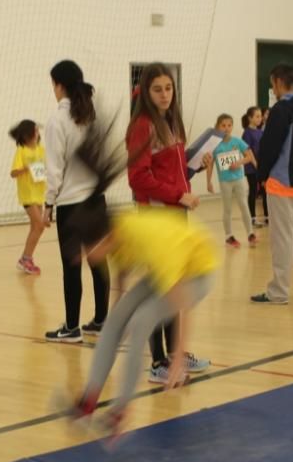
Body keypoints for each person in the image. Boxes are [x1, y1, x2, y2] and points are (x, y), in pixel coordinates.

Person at [60, 204, 218, 442]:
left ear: (104, 239)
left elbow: (183, 305)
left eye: (87, 248)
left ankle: (121, 411)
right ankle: (88, 402)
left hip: (197, 272)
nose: (84, 256)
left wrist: (177, 359)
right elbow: (123, 272)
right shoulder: (116, 236)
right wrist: (116, 320)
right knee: (115, 322)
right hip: (165, 268)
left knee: (141, 320)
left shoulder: (148, 243)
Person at [127, 62, 210, 382]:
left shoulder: (171, 122)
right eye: (157, 89)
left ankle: (176, 354)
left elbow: (170, 170)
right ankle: (158, 361)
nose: (164, 95)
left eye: (169, 88)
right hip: (156, 218)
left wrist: (195, 168)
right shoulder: (142, 126)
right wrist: (179, 194)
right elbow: (138, 178)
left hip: (176, 216)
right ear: (146, 92)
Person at [42, 60, 109, 343]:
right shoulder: (90, 115)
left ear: (59, 85)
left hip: (71, 204)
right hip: (96, 200)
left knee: (72, 266)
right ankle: (102, 320)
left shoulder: (58, 120)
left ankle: (71, 327)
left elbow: (54, 167)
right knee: (98, 262)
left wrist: (47, 204)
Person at [250, 63, 293, 305]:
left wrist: (261, 176)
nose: (273, 89)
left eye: (273, 85)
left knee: (282, 238)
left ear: (278, 82)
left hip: (282, 181)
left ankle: (278, 291)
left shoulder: (281, 109)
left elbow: (270, 146)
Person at [9, 119, 48, 274]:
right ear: (27, 134)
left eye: (38, 131)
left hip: (39, 193)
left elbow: (44, 168)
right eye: (35, 130)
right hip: (27, 195)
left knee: (36, 228)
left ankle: (26, 259)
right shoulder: (21, 150)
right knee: (39, 225)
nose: (38, 133)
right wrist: (26, 168)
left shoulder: (41, 149)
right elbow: (13, 173)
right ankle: (25, 259)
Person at [212, 113, 256, 248]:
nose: (226, 128)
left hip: (239, 179)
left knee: (244, 205)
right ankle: (228, 236)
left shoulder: (237, 141)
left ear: (232, 126)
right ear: (218, 127)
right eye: (223, 125)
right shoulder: (215, 145)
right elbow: (209, 163)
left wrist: (239, 162)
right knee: (227, 209)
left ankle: (250, 233)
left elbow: (249, 156)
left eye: (229, 125)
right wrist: (208, 181)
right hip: (225, 181)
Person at [241, 107, 267, 226]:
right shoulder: (247, 133)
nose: (259, 118)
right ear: (250, 118)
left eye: (260, 116)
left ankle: (267, 217)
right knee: (253, 191)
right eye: (257, 116)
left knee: (265, 191)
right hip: (252, 168)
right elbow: (247, 151)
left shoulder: (261, 132)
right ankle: (252, 218)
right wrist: (256, 164)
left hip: (261, 167)